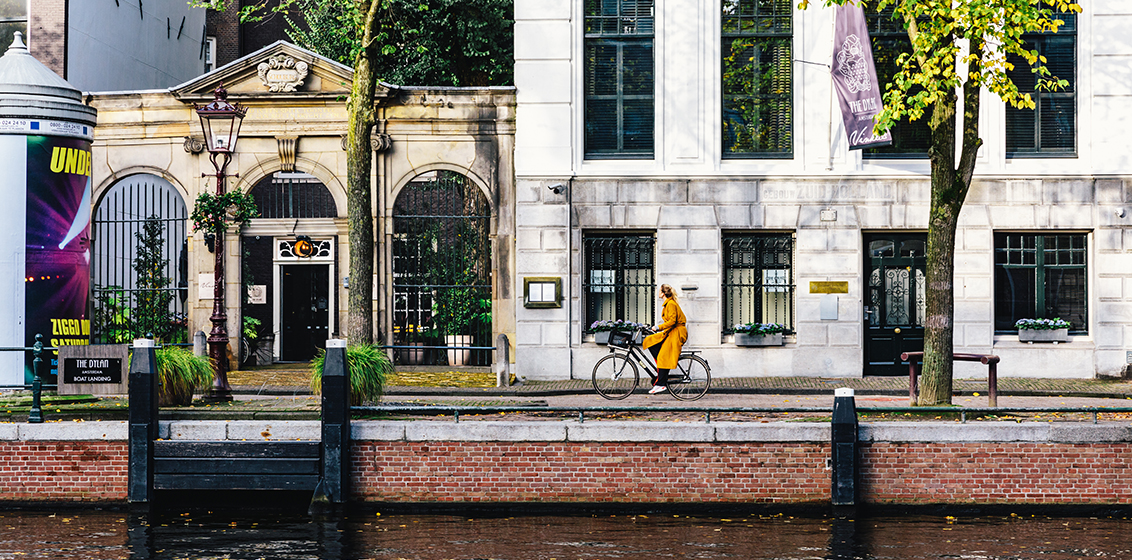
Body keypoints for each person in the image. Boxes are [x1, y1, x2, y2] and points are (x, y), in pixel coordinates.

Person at [643, 283, 687, 394]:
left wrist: (658, 327)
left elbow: (672, 321)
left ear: (663, 293)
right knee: (650, 341)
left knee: (663, 356)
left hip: (676, 333)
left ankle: (661, 384)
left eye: (659, 291)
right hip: (671, 331)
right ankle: (661, 369)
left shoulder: (671, 304)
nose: (658, 293)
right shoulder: (668, 303)